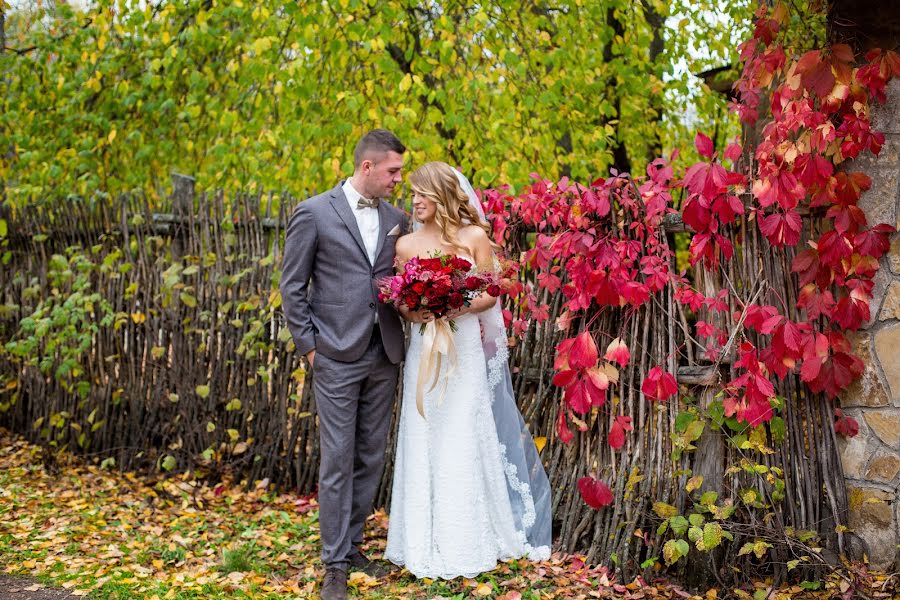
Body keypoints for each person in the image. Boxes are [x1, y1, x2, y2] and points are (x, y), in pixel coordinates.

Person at [384, 161, 552, 579]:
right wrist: (420, 310)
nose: (415, 201)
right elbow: (403, 303)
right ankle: (422, 537)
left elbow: (491, 293)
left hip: (464, 350)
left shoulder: (475, 237)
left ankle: (469, 536)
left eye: (422, 193)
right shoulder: (405, 246)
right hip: (427, 350)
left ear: (442, 194)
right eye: (413, 194)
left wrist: (447, 305)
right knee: (425, 430)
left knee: (463, 430)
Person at [280, 129, 409, 600]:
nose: (399, 179)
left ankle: (353, 545)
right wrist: (310, 348)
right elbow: (292, 286)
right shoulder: (314, 212)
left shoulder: (399, 219)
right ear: (368, 167)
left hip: (385, 353)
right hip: (334, 355)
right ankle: (334, 562)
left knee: (371, 454)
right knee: (337, 457)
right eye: (393, 170)